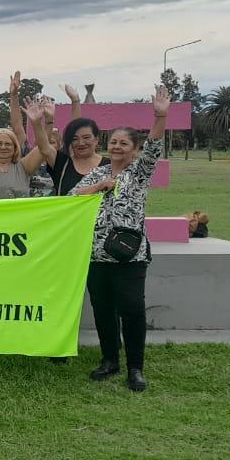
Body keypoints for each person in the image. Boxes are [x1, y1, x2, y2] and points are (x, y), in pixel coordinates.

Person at [70, 86, 171, 392]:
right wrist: (99, 185)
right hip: (96, 255)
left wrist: (160, 116)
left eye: (124, 143)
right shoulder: (96, 173)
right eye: (113, 142)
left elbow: (154, 146)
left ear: (134, 149)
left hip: (129, 255)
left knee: (132, 310)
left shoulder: (138, 173)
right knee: (103, 311)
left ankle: (135, 368)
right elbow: (72, 196)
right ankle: (109, 359)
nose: (116, 147)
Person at [0, 99, 53, 200]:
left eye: (8, 144)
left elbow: (43, 147)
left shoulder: (23, 167)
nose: (3, 147)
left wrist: (44, 122)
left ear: (15, 147)